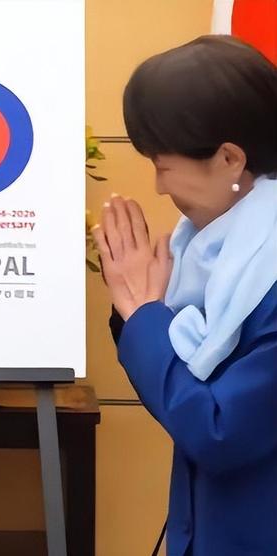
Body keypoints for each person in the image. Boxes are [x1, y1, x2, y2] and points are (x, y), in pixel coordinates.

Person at [92, 35, 277, 556]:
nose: (157, 187)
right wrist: (137, 314)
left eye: (163, 165)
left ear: (229, 159)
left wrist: (144, 315)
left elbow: (219, 430)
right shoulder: (215, 257)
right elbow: (183, 393)